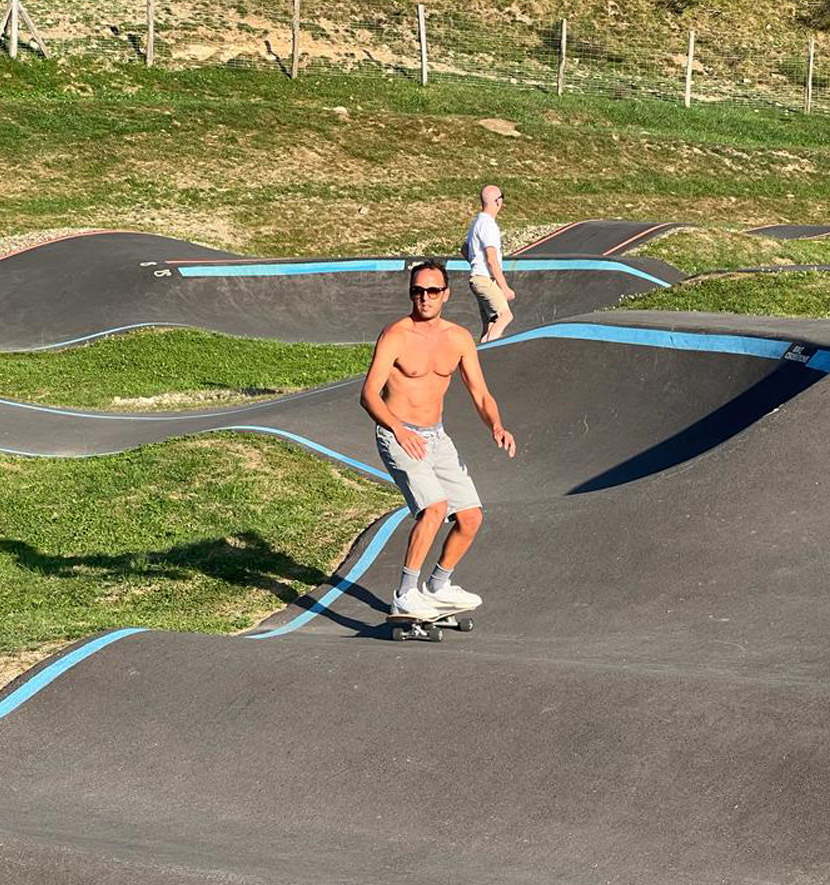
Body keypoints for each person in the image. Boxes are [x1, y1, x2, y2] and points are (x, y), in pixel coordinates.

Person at [360, 259, 516, 619]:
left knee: (471, 517)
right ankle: (405, 593)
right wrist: (398, 430)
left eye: (432, 291)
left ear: (445, 294)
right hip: (397, 432)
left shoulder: (459, 338)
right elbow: (368, 394)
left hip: (437, 437)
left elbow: (480, 393)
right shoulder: (396, 335)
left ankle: (438, 585)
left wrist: (496, 425)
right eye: (417, 291)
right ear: (410, 294)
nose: (424, 298)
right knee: (434, 507)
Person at [464, 184, 515, 343]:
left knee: (491, 323)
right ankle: (492, 352)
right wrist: (504, 287)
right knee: (505, 315)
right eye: (502, 198)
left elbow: (464, 248)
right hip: (485, 280)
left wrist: (475, 263)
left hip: (477, 279)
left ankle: (483, 352)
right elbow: (492, 259)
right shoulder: (489, 225)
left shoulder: (476, 223)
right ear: (497, 201)